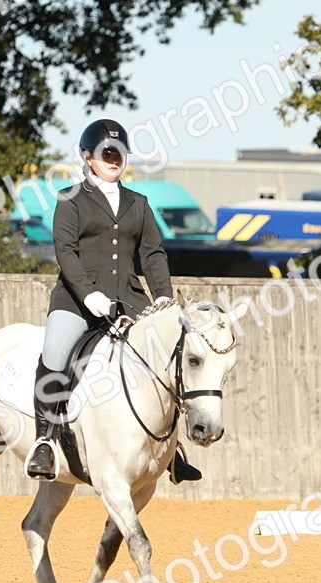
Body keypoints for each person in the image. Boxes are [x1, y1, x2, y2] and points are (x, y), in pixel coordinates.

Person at [25, 118, 201, 484]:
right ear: (88, 157)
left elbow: (153, 253)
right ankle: (45, 440)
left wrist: (164, 300)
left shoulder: (139, 202)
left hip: (130, 300)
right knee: (55, 354)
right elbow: (66, 252)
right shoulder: (70, 199)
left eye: (119, 153)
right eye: (107, 153)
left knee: (167, 359)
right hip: (76, 300)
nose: (114, 159)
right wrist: (88, 294)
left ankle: (172, 450)